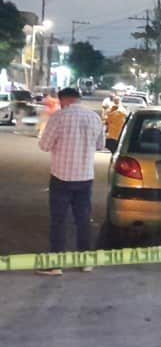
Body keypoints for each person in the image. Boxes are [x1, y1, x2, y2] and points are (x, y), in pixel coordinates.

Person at [38, 87, 105, 275]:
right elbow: (100, 145)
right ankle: (85, 262)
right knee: (83, 220)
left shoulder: (59, 117)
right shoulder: (94, 117)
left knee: (58, 220)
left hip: (61, 176)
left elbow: (44, 145)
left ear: (62, 100)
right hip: (85, 177)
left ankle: (55, 264)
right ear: (79, 99)